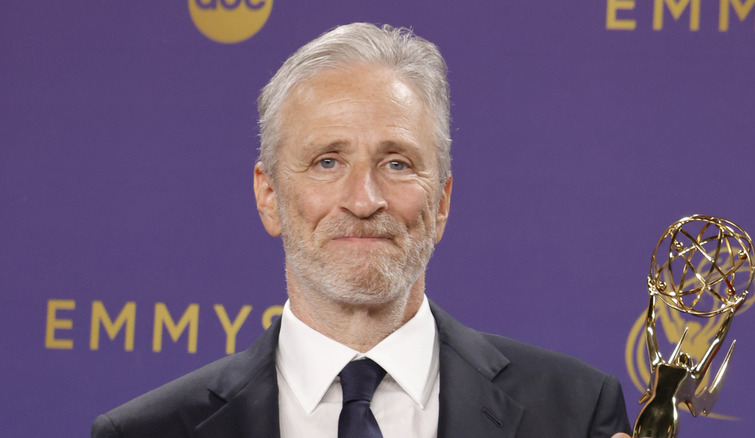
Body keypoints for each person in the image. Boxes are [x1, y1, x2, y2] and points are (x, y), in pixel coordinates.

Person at [91, 23, 633, 438]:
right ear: (269, 196)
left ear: (441, 201)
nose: (364, 199)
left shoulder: (573, 411)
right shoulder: (147, 431)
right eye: (328, 161)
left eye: (397, 163)